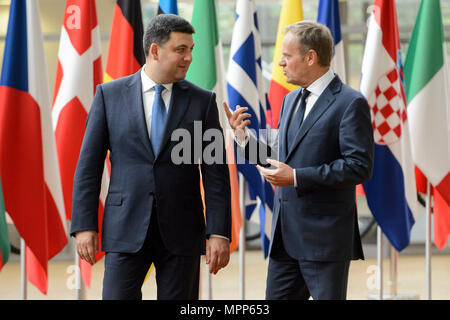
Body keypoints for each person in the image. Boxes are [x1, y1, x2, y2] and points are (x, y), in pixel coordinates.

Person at [71, 14, 231, 300]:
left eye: (191, 49)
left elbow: (215, 174)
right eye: (181, 49)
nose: (189, 57)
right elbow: (89, 166)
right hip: (124, 226)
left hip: (182, 230)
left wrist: (219, 232)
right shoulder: (109, 95)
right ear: (155, 51)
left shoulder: (203, 102)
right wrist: (84, 225)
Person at [224, 21, 374, 300]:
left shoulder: (350, 103)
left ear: (310, 57)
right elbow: (279, 161)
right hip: (285, 239)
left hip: (324, 241)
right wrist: (243, 138)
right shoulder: (291, 100)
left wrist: (295, 177)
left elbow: (359, 166)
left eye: (286, 55)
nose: (280, 62)